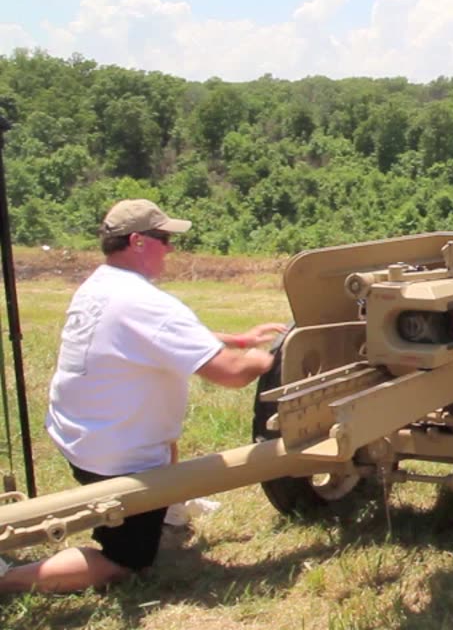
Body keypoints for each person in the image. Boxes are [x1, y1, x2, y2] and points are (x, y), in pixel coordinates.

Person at [0, 199, 286, 593]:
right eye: (163, 238)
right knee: (126, 561)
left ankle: (168, 511)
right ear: (136, 241)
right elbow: (231, 375)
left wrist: (234, 339)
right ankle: (8, 580)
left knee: (163, 429)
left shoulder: (99, 285)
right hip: (115, 460)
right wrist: (268, 358)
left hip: (78, 437)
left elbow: (153, 336)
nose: (170, 248)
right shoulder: (146, 303)